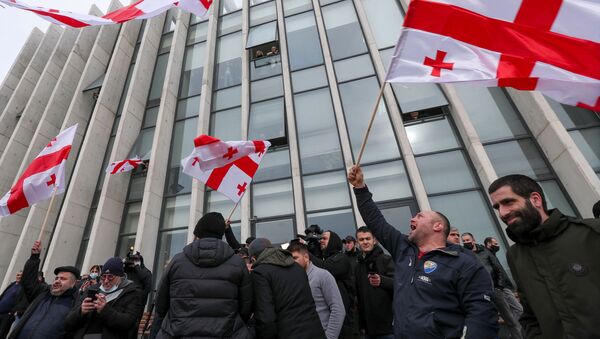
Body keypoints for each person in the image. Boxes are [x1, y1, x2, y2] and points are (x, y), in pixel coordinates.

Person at [348, 165, 498, 338]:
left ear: (437, 226)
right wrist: (359, 187)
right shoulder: (403, 249)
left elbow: (481, 315)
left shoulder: (464, 263)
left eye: (419, 216)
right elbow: (376, 221)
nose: (412, 218)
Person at [488, 174, 600, 339]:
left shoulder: (591, 233)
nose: (503, 213)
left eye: (508, 202)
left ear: (535, 199)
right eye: (497, 207)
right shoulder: (515, 255)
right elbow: (529, 315)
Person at [155, 212, 252, 338]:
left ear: (198, 234)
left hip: (178, 332)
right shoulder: (237, 263)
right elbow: (246, 306)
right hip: (226, 332)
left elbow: (161, 303)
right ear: (221, 234)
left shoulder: (177, 261)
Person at [249, 238, 326, 339]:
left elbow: (266, 319)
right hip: (315, 331)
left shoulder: (260, 273)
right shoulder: (297, 267)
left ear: (254, 259)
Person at [8, 240, 80, 339]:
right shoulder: (43, 292)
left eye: (63, 279)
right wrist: (34, 257)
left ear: (73, 283)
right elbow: (28, 281)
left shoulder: (76, 303)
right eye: (56, 278)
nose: (57, 281)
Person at [461, 233, 523, 339]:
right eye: (464, 241)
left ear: (474, 240)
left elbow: (497, 268)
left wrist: (499, 286)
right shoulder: (465, 255)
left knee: (510, 319)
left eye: (468, 240)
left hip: (495, 289)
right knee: (487, 322)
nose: (466, 242)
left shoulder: (485, 251)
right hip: (480, 293)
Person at [64, 257, 143, 339]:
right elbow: (68, 323)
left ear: (120, 277)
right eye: (103, 277)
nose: (106, 281)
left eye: (110, 277)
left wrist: (105, 310)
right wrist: (81, 311)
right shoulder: (91, 290)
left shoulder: (132, 292)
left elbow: (129, 323)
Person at [289, 243, 345, 339]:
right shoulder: (291, 279)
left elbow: (338, 309)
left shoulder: (322, 275)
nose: (291, 262)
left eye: (295, 258)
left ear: (306, 257)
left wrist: (329, 337)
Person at [310, 230, 354, 338]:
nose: (321, 241)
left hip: (343, 321)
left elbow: (326, 268)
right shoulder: (325, 259)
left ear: (333, 241)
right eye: (320, 239)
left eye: (324, 238)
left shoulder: (342, 258)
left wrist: (306, 254)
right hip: (328, 320)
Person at [354, 227, 395, 339]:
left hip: (388, 329)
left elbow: (400, 285)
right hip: (367, 331)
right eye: (361, 240)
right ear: (357, 243)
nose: (365, 242)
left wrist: (382, 281)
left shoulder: (386, 259)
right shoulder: (357, 267)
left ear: (374, 240)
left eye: (368, 238)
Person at [483, 237, 523, 328]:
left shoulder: (492, 254)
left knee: (513, 312)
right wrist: (500, 286)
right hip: (501, 288)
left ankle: (516, 333)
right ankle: (516, 333)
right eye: (495, 243)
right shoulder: (488, 255)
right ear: (489, 244)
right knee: (518, 310)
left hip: (503, 287)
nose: (497, 245)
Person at [0, 271, 23, 338]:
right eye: (18, 275)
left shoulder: (22, 287)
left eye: (20, 275)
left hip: (7, 315)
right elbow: (3, 295)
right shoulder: (12, 284)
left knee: (1, 334)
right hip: (0, 312)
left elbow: (19, 301)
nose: (19, 276)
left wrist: (11, 312)